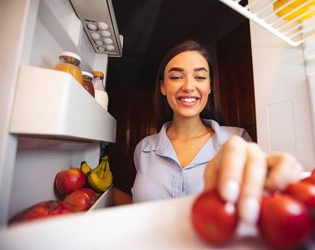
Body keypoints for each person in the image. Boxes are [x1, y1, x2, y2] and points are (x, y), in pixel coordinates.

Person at [116, 40, 303, 226]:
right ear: (163, 87)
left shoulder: (237, 140)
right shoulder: (144, 149)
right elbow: (139, 207)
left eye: (199, 77)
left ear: (210, 87)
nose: (189, 86)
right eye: (176, 77)